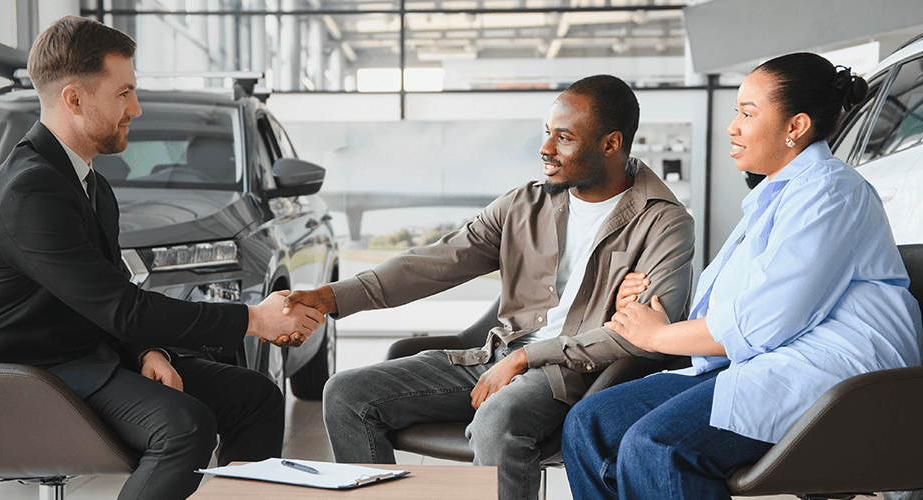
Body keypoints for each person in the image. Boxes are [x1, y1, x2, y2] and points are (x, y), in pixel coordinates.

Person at [0, 17, 323, 500]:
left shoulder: (89, 185)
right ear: (74, 99)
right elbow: (121, 308)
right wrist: (253, 318)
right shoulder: (30, 191)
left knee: (255, 398)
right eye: (124, 92)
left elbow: (107, 300)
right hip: (28, 377)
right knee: (184, 425)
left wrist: (147, 351)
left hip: (83, 357)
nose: (136, 107)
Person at [289, 74, 695, 500]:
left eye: (564, 137)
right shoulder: (525, 203)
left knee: (497, 419)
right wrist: (330, 297)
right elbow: (435, 263)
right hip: (495, 355)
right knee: (346, 393)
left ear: (611, 144)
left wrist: (527, 357)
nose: (545, 148)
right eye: (546, 133)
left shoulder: (664, 223)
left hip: (575, 373)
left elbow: (644, 338)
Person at [561, 52, 921, 500]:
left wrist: (658, 338)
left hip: (832, 376)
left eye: (747, 113)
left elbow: (767, 318)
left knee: (658, 446)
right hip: (767, 362)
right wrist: (643, 303)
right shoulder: (776, 195)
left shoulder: (831, 191)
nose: (733, 126)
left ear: (796, 127)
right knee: (588, 424)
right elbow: (731, 307)